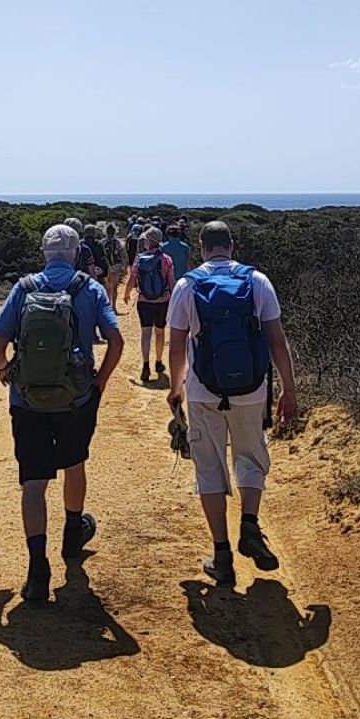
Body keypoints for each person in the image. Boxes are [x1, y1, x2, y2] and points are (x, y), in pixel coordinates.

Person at [0, 224, 124, 603]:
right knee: (74, 463)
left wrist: (7, 373)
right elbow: (116, 340)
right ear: (76, 252)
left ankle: (37, 568)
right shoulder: (90, 288)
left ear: (45, 253)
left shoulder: (24, 288)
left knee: (33, 482)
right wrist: (100, 382)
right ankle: (71, 536)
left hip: (27, 401)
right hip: (76, 399)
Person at [166, 220, 298, 586]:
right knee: (251, 458)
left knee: (209, 468)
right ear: (232, 246)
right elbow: (276, 340)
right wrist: (289, 389)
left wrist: (176, 388)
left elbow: (177, 346)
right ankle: (250, 525)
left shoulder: (186, 286)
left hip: (204, 393)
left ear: (202, 247)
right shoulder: (258, 282)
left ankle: (221, 555)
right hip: (251, 391)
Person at [122, 225, 175, 383]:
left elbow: (132, 279)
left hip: (144, 301)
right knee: (160, 332)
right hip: (162, 301)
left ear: (149, 241)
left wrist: (126, 294)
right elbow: (171, 282)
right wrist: (174, 298)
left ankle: (146, 364)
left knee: (146, 333)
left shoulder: (140, 259)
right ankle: (158, 362)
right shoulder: (166, 259)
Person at [103, 221, 127, 310]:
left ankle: (108, 305)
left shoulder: (102, 242)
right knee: (114, 287)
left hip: (106, 266)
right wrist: (125, 267)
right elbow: (123, 255)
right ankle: (114, 307)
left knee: (108, 287)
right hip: (116, 266)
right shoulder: (118, 242)